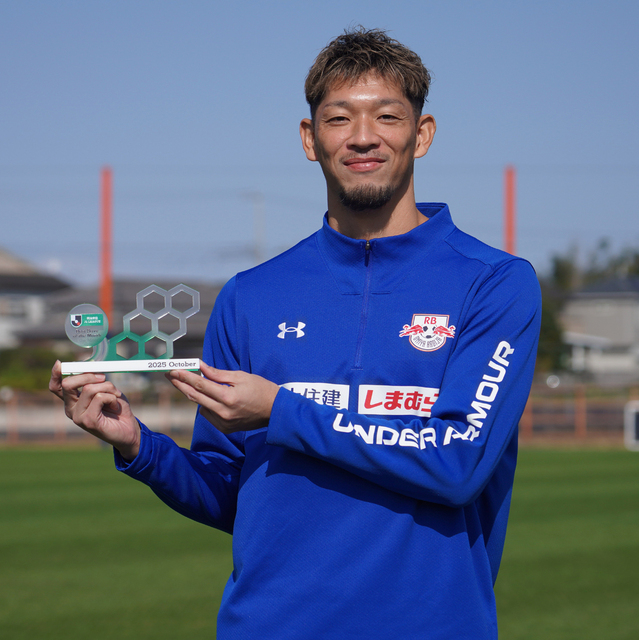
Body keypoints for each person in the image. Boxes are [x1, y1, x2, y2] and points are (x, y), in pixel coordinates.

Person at [50, 27, 541, 640]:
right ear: (311, 138)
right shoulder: (251, 295)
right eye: (339, 118)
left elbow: (457, 462)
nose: (363, 136)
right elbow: (232, 494)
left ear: (422, 134)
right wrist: (138, 446)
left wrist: (281, 409)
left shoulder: (494, 284)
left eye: (387, 116)